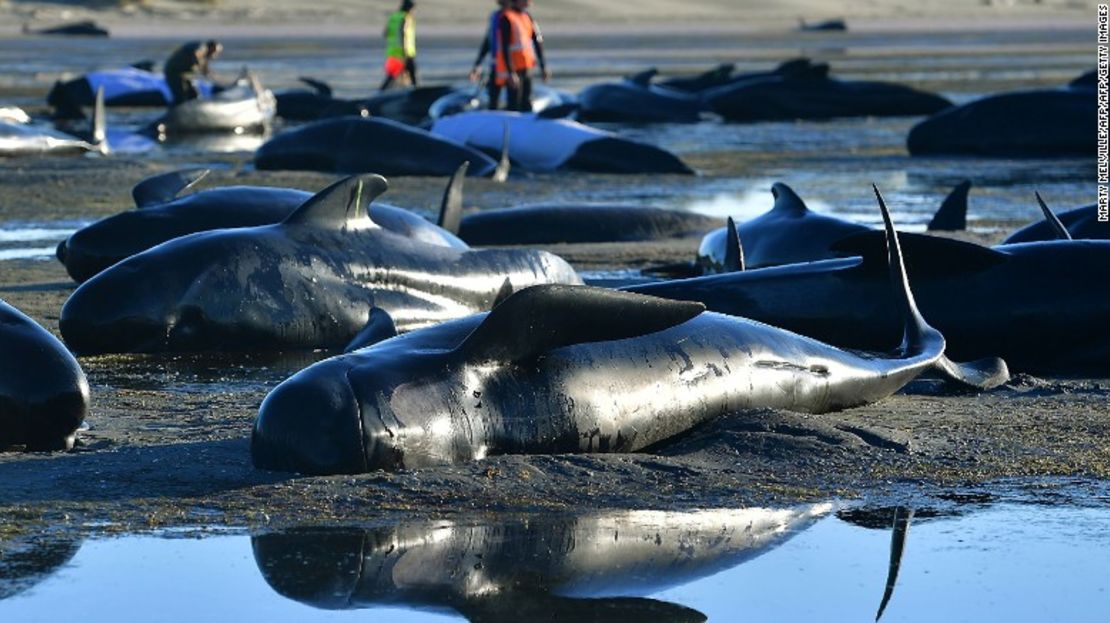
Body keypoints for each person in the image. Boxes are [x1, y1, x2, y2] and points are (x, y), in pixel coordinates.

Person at [471, 0, 549, 111]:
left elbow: (537, 42)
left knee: (524, 102)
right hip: (506, 68)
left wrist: (543, 66)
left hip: (524, 67)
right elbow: (493, 43)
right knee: (504, 102)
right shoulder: (504, 18)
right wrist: (478, 65)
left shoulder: (526, 17)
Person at [163, 40, 222, 105]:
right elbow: (195, 54)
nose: (216, 54)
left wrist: (215, 77)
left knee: (193, 94)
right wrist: (197, 60)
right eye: (216, 51)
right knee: (180, 95)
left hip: (184, 75)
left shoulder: (205, 56)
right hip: (173, 72)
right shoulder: (201, 48)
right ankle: (175, 112)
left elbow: (205, 71)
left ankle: (194, 110)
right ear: (212, 48)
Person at [381, 0, 418, 90]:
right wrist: (405, 51)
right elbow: (403, 33)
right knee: (412, 72)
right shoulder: (406, 18)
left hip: (393, 52)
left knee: (392, 76)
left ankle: (380, 92)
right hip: (404, 53)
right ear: (409, 8)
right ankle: (415, 92)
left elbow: (385, 33)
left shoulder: (394, 17)